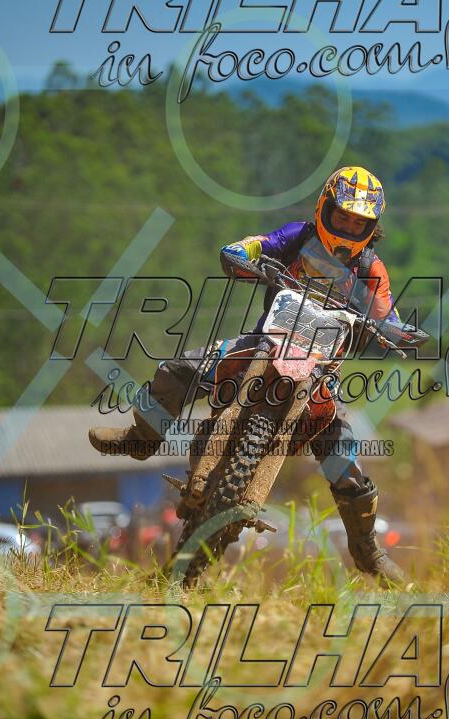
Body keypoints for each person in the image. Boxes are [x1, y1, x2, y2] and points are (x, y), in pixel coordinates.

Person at [89, 166, 405, 582]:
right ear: (323, 209)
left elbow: (387, 314)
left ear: (371, 228)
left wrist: (393, 331)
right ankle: (142, 437)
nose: (347, 228)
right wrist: (242, 252)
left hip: (321, 369)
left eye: (357, 223)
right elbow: (259, 244)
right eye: (341, 216)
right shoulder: (299, 236)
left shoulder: (370, 269)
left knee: (345, 463)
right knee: (176, 370)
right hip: (262, 344)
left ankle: (367, 551)